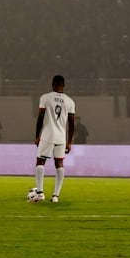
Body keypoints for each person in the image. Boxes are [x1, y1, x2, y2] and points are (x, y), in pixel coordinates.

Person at [33, 74, 76, 203]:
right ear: (64, 85)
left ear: (52, 84)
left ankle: (40, 193)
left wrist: (37, 136)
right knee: (59, 164)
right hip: (61, 137)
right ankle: (55, 196)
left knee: (40, 161)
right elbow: (72, 123)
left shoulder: (45, 98)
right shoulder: (70, 101)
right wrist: (69, 142)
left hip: (48, 135)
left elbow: (40, 117)